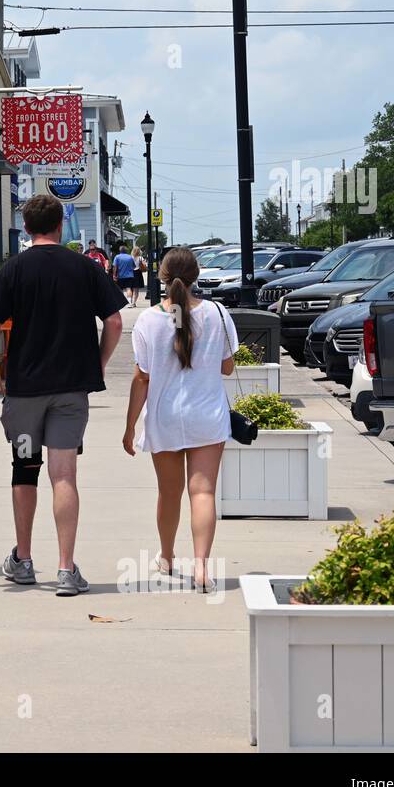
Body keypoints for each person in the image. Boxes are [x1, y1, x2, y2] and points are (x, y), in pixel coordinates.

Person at [0, 195, 126, 597]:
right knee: (64, 475)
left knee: (24, 469)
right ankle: (67, 569)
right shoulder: (85, 268)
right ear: (60, 224)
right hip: (71, 389)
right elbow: (115, 321)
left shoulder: (13, 270)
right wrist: (99, 362)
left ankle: (23, 559)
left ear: (26, 226)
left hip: (24, 392)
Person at [121, 247, 236, 593]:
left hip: (165, 416)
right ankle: (202, 567)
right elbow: (228, 367)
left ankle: (168, 556)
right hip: (207, 416)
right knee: (203, 491)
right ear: (197, 275)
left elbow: (143, 378)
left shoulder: (148, 320)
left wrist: (129, 427)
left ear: (162, 276)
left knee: (168, 493)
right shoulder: (217, 313)